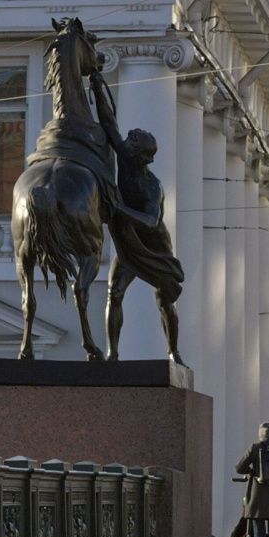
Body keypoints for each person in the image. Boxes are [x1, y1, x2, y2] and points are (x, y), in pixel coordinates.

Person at [89, 71, 185, 365]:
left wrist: (118, 208)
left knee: (165, 300)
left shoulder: (152, 186)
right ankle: (113, 355)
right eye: (128, 141)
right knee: (114, 292)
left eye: (132, 142)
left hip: (154, 246)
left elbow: (151, 222)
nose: (125, 144)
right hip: (128, 244)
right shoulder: (128, 161)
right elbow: (108, 122)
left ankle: (173, 351)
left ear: (142, 155)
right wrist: (96, 80)